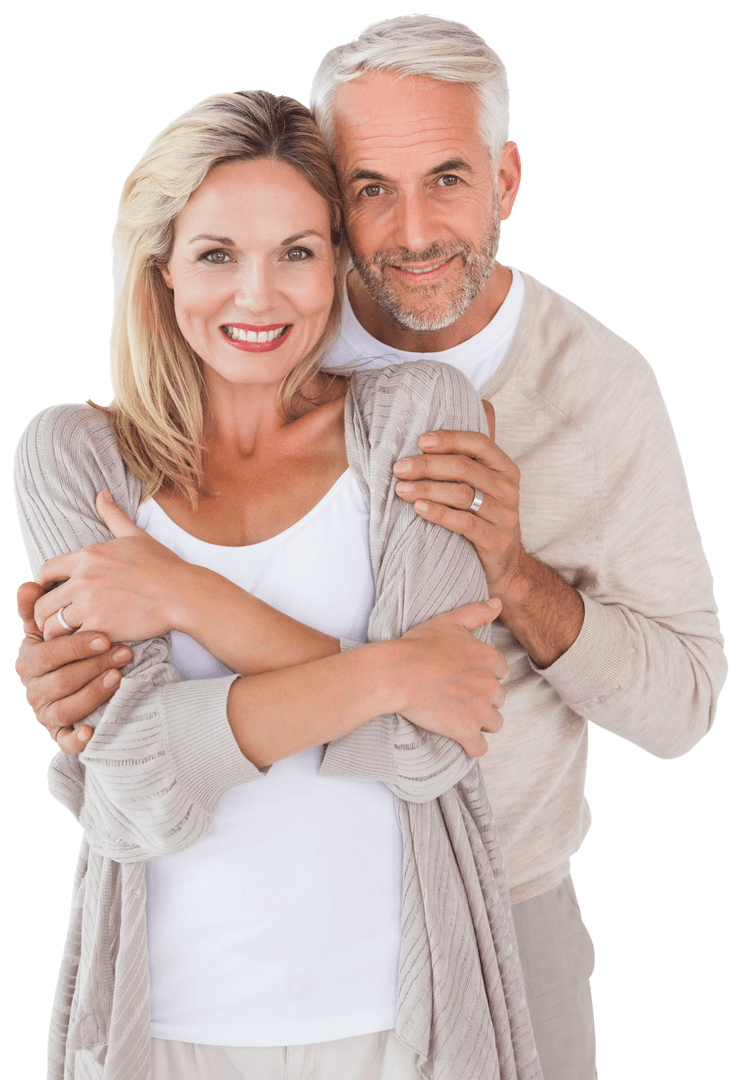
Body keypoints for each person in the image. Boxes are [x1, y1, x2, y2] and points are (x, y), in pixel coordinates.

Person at [15, 14, 728, 1080]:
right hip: (189, 984)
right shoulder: (206, 359)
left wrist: (511, 574)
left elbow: (650, 712)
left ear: (506, 179)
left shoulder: (577, 389)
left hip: (496, 908)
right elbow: (132, 763)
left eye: (447, 178)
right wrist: (75, 679)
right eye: (367, 189)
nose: (410, 232)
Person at [14, 89, 544, 1080]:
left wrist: (184, 596)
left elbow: (436, 748)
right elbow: (134, 784)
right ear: (160, 264)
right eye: (217, 254)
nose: (258, 298)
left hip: (404, 1023)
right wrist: (395, 675)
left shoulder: (420, 419)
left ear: (338, 261)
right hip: (161, 1028)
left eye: (296, 252)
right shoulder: (75, 460)